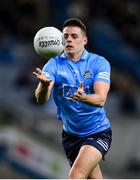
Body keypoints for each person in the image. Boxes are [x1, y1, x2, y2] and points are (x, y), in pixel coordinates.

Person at [33, 18, 112, 179]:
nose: (69, 39)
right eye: (65, 36)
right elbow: (41, 99)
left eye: (74, 36)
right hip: (71, 136)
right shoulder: (53, 64)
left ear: (85, 40)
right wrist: (44, 86)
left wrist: (84, 97)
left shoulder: (98, 63)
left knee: (76, 175)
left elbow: (101, 99)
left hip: (97, 131)